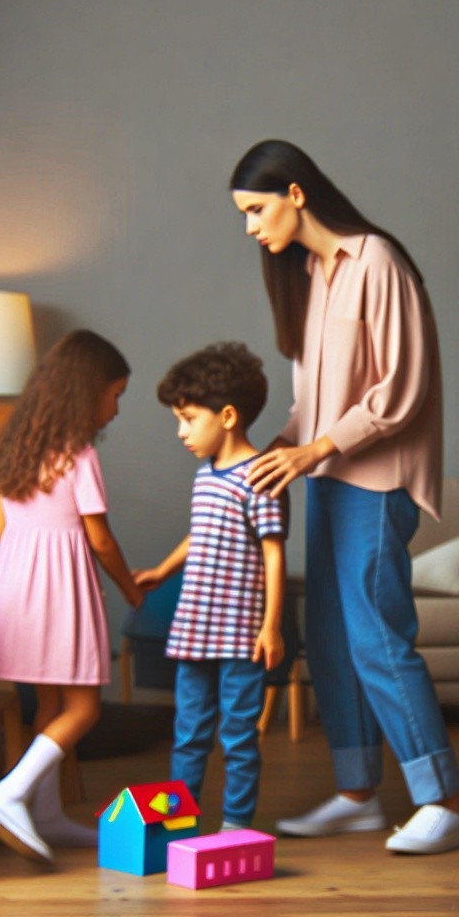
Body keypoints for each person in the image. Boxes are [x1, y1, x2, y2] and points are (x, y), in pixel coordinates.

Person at [231, 139, 459, 854]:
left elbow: (399, 391)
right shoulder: (310, 274)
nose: (252, 226)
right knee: (332, 642)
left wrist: (314, 448)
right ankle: (357, 793)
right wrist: (282, 445)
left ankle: (449, 801)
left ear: (296, 194)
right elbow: (314, 400)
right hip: (328, 478)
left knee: (377, 636)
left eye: (256, 209)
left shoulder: (376, 261)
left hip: (375, 481)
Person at [0, 329, 146, 863]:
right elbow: (100, 538)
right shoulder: (81, 455)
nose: (116, 408)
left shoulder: (18, 444)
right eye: (114, 394)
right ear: (87, 391)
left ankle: (44, 815)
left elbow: (2, 527)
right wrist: (127, 585)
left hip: (17, 588)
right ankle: (11, 793)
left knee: (49, 702)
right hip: (60, 592)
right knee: (85, 707)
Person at [134, 341, 287, 833]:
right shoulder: (205, 477)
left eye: (188, 419)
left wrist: (271, 628)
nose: (181, 432)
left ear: (226, 416)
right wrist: (163, 569)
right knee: (188, 734)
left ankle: (236, 828)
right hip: (194, 631)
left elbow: (274, 553)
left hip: (241, 636)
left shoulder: (259, 478)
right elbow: (200, 533)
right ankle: (178, 823)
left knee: (239, 736)